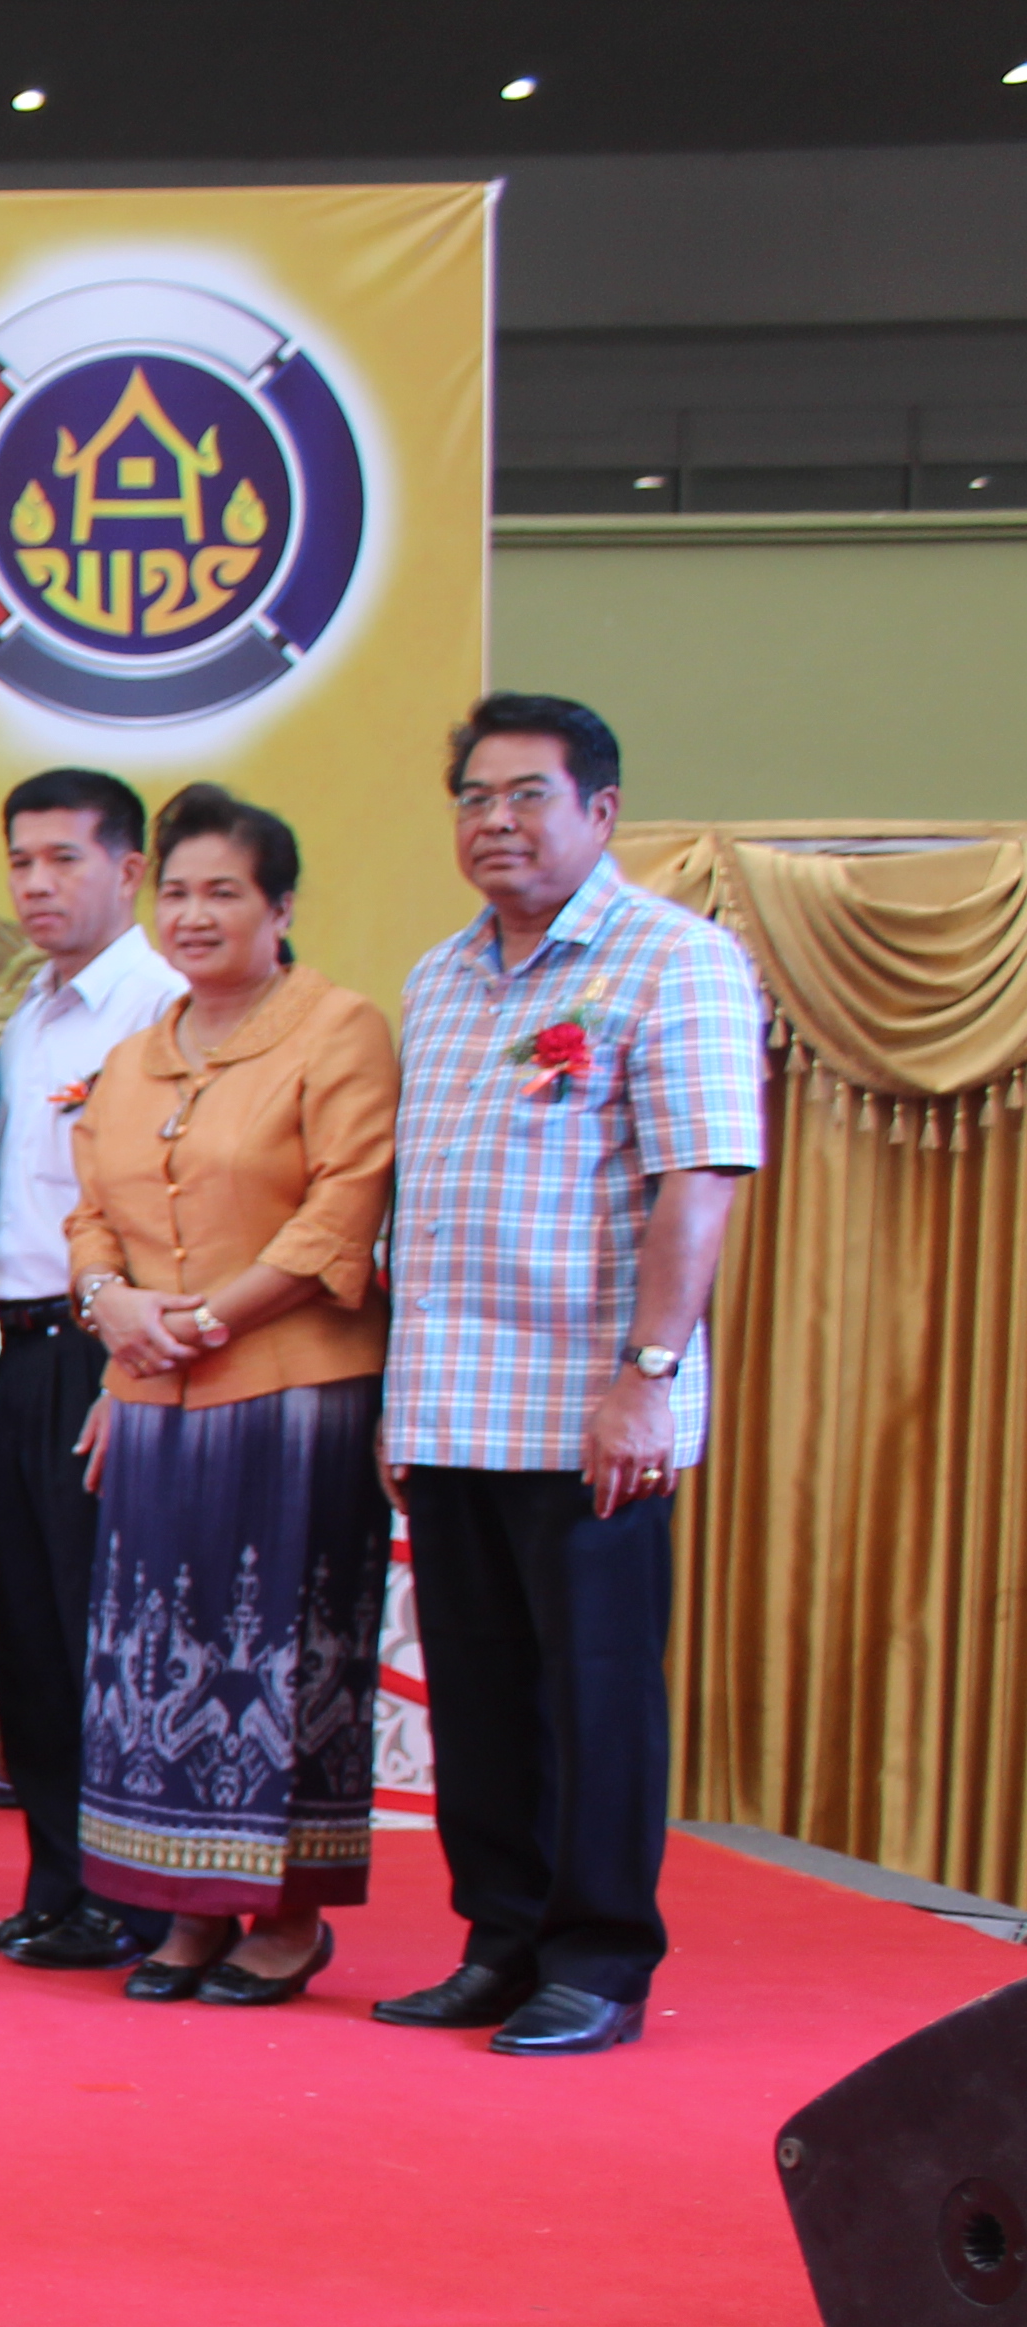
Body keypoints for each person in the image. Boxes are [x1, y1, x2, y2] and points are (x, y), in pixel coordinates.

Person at [381, 692, 767, 2056]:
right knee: (482, 1698)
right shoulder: (438, 979)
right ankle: (500, 1941)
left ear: (601, 811)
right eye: (474, 798)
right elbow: (418, 1207)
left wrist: (647, 1377)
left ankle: (599, 1962)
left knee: (595, 1694)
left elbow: (699, 1182)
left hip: (590, 1409)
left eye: (527, 795)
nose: (496, 821)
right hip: (451, 1406)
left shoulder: (677, 960)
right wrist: (399, 1406)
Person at [68, 788, 401, 2009]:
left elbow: (341, 1208)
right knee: (159, 1652)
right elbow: (90, 1211)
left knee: (279, 1651)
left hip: (293, 1388)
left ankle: (290, 1916)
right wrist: (111, 1305)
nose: (196, 915)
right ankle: (187, 1905)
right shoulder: (135, 1054)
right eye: (179, 893)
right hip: (155, 1395)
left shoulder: (339, 1029)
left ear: (282, 906)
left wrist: (206, 1320)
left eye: (225, 892)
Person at [0, 770, 189, 1968]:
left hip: (113, 1355)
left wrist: (126, 1374)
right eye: (22, 862)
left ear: (130, 871)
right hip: (17, 1349)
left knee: (111, 1631)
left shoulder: (161, 1004)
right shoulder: (29, 1015)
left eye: (65, 859)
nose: (37, 884)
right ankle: (56, 1881)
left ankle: (135, 1895)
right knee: (32, 1637)